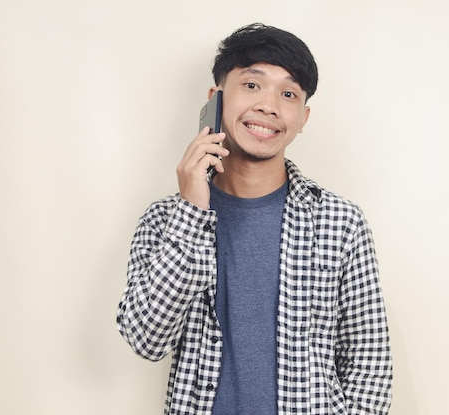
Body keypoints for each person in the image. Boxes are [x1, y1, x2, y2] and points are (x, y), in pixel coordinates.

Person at [116, 23, 393, 415]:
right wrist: (192, 212)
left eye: (288, 93)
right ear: (215, 99)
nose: (269, 105)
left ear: (304, 116)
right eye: (251, 85)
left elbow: (369, 365)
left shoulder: (340, 222)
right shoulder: (165, 220)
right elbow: (147, 339)